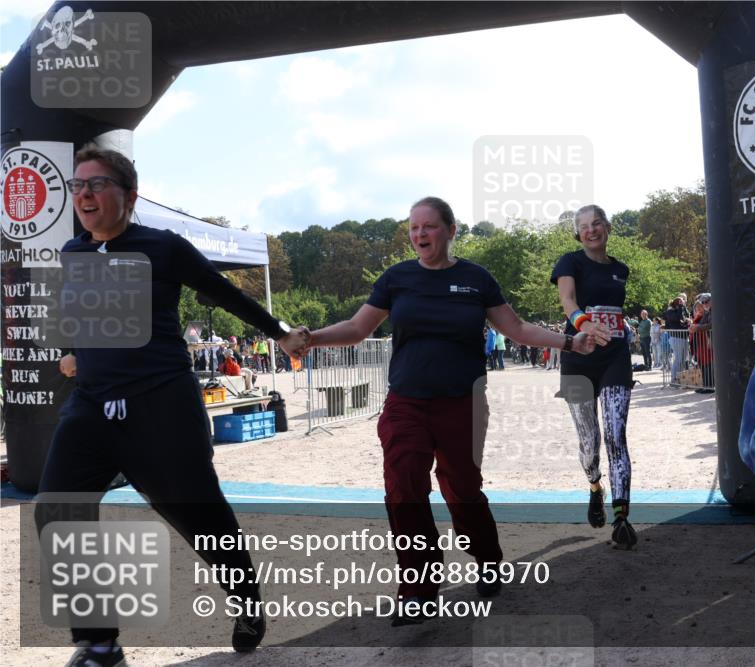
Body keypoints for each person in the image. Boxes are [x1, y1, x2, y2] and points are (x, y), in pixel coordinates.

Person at [39, 145, 310, 666]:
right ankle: (100, 644)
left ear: (129, 195)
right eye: (77, 186)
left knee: (198, 516)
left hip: (161, 404)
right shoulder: (74, 255)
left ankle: (247, 597)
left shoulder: (162, 247)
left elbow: (222, 292)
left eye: (97, 185)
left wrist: (278, 333)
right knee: (58, 509)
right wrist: (73, 350)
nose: (84, 195)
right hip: (93, 406)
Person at [304, 197, 597, 621]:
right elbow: (356, 328)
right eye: (413, 228)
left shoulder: (476, 279)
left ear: (451, 229)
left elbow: (514, 328)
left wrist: (570, 341)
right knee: (404, 488)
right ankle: (418, 588)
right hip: (406, 402)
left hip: (463, 403)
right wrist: (311, 337)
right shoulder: (396, 279)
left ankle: (487, 557)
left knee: (461, 489)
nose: (419, 235)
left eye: (429, 227)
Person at [551, 204, 638, 549]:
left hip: (615, 356)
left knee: (616, 434)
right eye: (583, 226)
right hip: (578, 357)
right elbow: (568, 301)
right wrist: (586, 324)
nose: (590, 230)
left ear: (608, 227)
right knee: (590, 442)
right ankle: (594, 485)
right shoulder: (568, 262)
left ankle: (622, 516)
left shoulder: (621, 269)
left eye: (596, 224)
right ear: (578, 233)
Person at [663, 294, 691, 386]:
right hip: (676, 337)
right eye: (681, 302)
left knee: (683, 359)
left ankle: (680, 378)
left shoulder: (681, 310)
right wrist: (680, 307)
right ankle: (674, 379)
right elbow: (677, 318)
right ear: (677, 303)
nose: (682, 303)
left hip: (683, 337)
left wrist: (684, 308)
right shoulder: (670, 311)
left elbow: (687, 316)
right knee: (678, 359)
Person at [689, 294, 714, 393]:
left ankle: (709, 386)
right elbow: (702, 324)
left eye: (706, 302)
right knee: (704, 365)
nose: (704, 304)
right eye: (702, 303)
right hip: (707, 341)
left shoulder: (714, 311)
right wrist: (693, 327)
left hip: (711, 341)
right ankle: (706, 385)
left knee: (708, 364)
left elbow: (712, 324)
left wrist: (697, 327)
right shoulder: (708, 312)